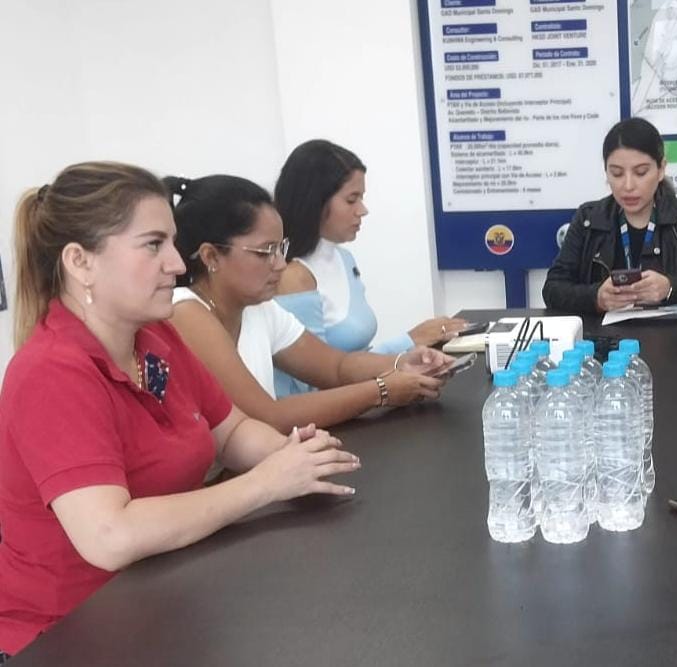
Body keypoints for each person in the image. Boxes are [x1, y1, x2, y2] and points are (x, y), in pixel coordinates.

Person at [0, 163, 358, 658]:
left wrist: (300, 459)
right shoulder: (50, 373)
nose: (176, 263)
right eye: (153, 245)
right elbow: (110, 536)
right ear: (80, 262)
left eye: (172, 242)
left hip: (166, 601)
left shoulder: (156, 337)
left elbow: (231, 431)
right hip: (72, 636)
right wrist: (264, 484)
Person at [166, 175, 452, 434]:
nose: (280, 264)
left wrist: (401, 363)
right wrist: (381, 391)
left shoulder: (259, 308)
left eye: (281, 248)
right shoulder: (186, 312)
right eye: (265, 252)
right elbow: (268, 416)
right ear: (211, 257)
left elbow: (336, 367)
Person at [273, 139, 467, 397]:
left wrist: (406, 354)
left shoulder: (344, 259)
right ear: (314, 202)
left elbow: (351, 360)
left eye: (361, 198)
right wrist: (407, 344)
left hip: (361, 398)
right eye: (351, 200)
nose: (362, 210)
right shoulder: (293, 278)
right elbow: (316, 382)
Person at [542, 117, 677, 313]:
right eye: (617, 174)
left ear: (661, 169)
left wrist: (671, 288)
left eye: (641, 172)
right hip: (606, 332)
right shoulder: (589, 218)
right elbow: (553, 289)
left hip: (675, 332)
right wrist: (596, 297)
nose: (628, 186)